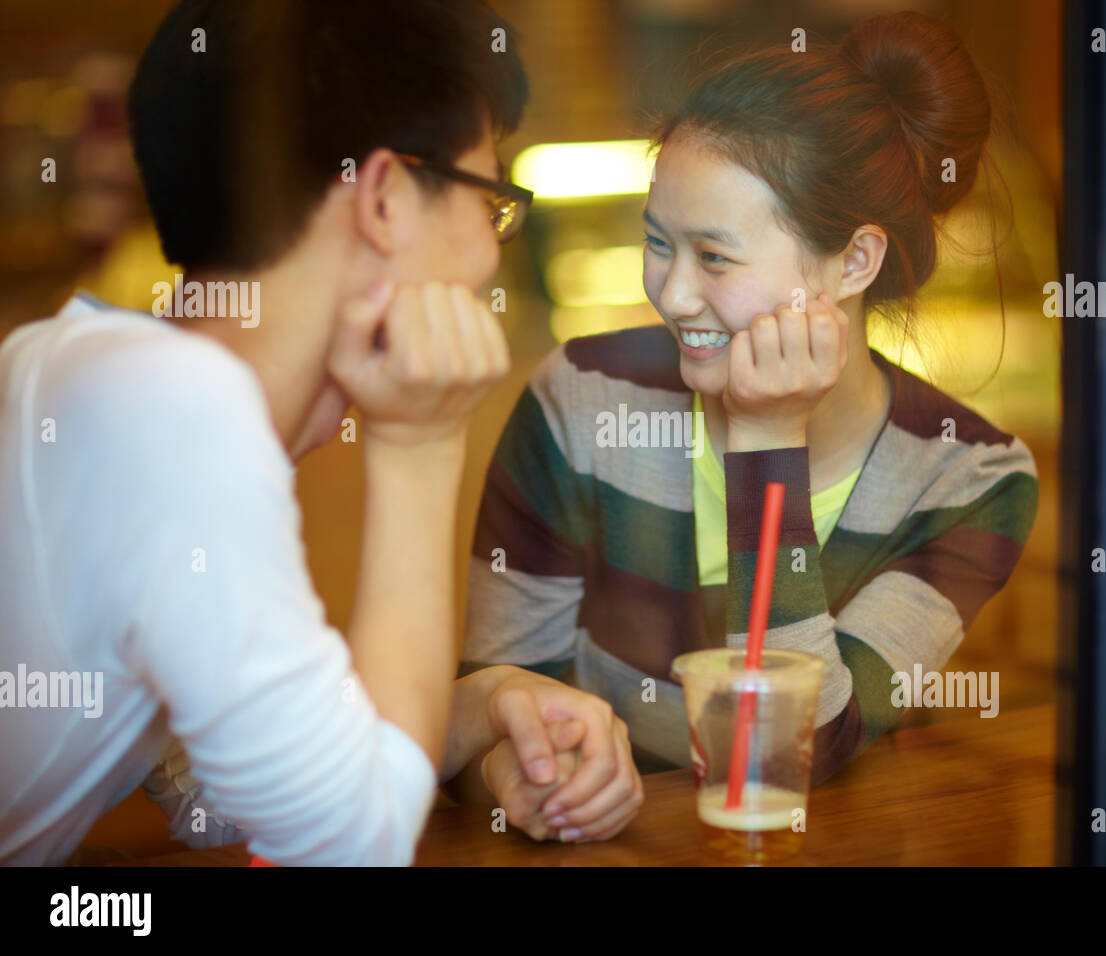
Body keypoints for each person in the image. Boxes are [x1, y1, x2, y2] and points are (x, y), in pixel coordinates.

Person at [0, 0, 641, 866]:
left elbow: (222, 793)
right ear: (382, 199)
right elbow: (347, 844)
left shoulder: (90, 370)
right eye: (492, 201)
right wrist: (419, 443)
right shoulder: (173, 408)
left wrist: (482, 705)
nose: (491, 256)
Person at [459, 11, 1039, 793]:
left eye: (715, 256)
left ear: (855, 260)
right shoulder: (581, 399)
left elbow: (800, 749)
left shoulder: (970, 478)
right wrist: (519, 772)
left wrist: (768, 438)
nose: (673, 294)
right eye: (658, 243)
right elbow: (489, 704)